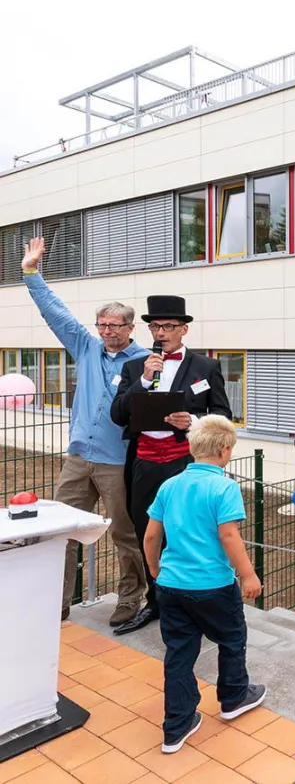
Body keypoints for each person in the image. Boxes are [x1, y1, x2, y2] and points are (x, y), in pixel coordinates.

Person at [21, 236, 147, 626]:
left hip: (117, 462)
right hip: (78, 458)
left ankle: (130, 598)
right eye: (102, 324)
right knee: (60, 530)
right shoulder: (86, 347)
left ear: (130, 327)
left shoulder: (145, 361)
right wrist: (31, 272)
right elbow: (55, 313)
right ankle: (55, 602)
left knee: (125, 534)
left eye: (114, 325)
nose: (107, 331)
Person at [144, 415, 266, 754]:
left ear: (192, 447)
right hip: (213, 585)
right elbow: (229, 535)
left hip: (170, 586)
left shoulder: (169, 486)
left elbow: (151, 535)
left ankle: (177, 726)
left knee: (179, 652)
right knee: (232, 638)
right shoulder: (224, 488)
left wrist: (154, 568)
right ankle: (234, 697)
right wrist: (248, 574)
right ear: (224, 450)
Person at [110, 295, 232, 635]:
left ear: (183, 329)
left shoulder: (205, 367)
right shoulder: (134, 367)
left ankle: (192, 601)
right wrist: (143, 381)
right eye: (155, 326)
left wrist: (193, 420)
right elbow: (117, 414)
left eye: (168, 326)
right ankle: (156, 601)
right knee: (146, 529)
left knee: (187, 529)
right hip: (144, 462)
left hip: (184, 461)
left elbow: (223, 413)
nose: (160, 333)